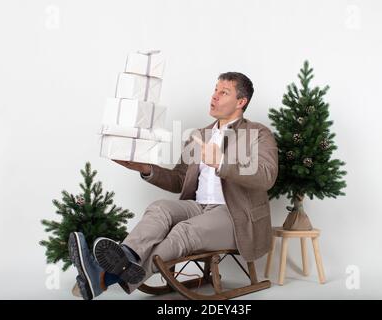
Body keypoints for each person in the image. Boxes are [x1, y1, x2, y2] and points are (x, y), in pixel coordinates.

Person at [68, 72, 279, 300]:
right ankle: (125, 256)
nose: (214, 96)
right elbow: (180, 179)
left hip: (235, 215)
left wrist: (221, 163)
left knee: (184, 231)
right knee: (160, 208)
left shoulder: (258, 133)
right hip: (198, 206)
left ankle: (103, 277)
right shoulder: (200, 135)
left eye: (223, 92)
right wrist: (145, 168)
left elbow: (267, 176)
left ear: (241, 102)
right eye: (215, 90)